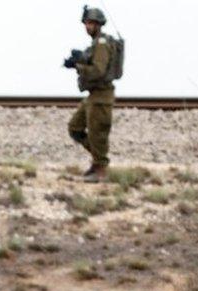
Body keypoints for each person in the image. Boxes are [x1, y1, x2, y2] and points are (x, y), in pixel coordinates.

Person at [66, 6, 119, 183]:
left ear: (98, 24)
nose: (87, 27)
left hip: (102, 96)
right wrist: (79, 58)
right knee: (75, 127)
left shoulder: (102, 44)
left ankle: (101, 168)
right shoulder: (96, 43)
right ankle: (98, 161)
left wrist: (78, 67)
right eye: (86, 23)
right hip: (93, 95)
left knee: (98, 133)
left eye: (91, 23)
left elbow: (98, 71)